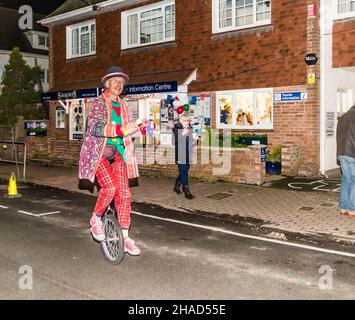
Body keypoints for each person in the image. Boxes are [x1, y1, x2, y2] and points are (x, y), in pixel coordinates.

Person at [78, 66, 144, 256]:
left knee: (125, 194)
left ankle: (125, 238)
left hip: (120, 154)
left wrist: (140, 128)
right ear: (107, 83)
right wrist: (119, 130)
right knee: (110, 188)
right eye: (114, 81)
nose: (118, 85)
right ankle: (96, 218)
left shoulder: (124, 105)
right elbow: (95, 127)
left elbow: (131, 128)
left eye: (121, 82)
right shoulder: (99, 103)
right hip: (100, 153)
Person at [336, 104, 355, 217]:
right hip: (352, 154)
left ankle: (343, 208)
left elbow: (338, 136)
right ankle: (352, 209)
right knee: (354, 181)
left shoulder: (342, 117)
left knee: (345, 180)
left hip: (342, 153)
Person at [172, 113, 196, 199]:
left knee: (184, 172)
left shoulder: (190, 128)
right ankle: (187, 192)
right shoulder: (176, 128)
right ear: (181, 121)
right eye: (185, 120)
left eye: (188, 120)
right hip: (180, 154)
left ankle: (176, 187)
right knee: (184, 172)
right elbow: (174, 142)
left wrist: (195, 141)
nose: (187, 122)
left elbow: (192, 141)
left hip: (188, 153)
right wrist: (183, 134)